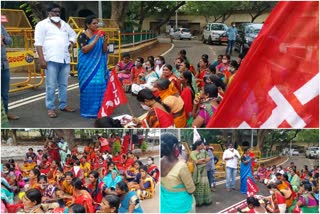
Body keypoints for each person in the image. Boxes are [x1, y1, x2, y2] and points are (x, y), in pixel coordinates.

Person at [34, 3, 77, 118]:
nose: (57, 13)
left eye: (58, 12)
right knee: (51, 85)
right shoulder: (42, 25)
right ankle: (51, 108)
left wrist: (71, 42)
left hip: (64, 59)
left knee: (63, 84)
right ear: (49, 13)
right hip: (51, 59)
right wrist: (42, 60)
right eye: (54, 11)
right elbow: (38, 43)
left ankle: (63, 105)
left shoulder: (64, 24)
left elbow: (74, 34)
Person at [77, 15, 109, 118]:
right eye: (94, 23)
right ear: (88, 24)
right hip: (86, 67)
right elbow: (85, 50)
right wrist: (96, 39)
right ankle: (88, 111)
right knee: (89, 87)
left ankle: (99, 111)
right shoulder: (82, 36)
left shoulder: (100, 35)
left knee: (100, 85)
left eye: (97, 23)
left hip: (99, 65)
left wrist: (105, 42)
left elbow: (104, 51)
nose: (96, 25)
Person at [161, 133, 195, 212]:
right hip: (182, 207)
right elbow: (191, 190)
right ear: (174, 147)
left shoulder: (159, 162)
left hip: (165, 206)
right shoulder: (181, 166)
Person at [1, 24, 19, 120]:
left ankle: (5, 113)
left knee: (4, 93)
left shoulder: (0, 26)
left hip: (4, 65)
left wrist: (3, 38)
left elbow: (10, 40)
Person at [190, 140, 212, 206]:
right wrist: (203, 161)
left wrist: (202, 161)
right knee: (198, 186)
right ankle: (198, 202)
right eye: (202, 145)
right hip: (197, 172)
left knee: (205, 185)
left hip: (204, 171)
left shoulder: (204, 152)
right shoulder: (193, 153)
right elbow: (196, 162)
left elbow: (208, 159)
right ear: (197, 146)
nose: (203, 146)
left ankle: (206, 201)